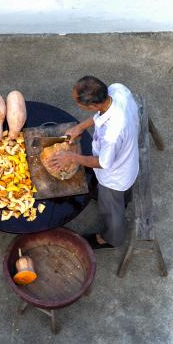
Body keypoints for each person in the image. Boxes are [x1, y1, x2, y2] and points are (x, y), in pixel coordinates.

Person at [47, 76, 139, 249]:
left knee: (111, 211)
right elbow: (100, 114)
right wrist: (80, 127)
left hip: (115, 177)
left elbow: (103, 163)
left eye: (78, 102)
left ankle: (110, 239)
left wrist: (71, 157)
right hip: (129, 157)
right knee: (120, 197)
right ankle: (124, 201)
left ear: (92, 106)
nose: (77, 104)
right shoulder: (117, 90)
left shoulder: (112, 134)